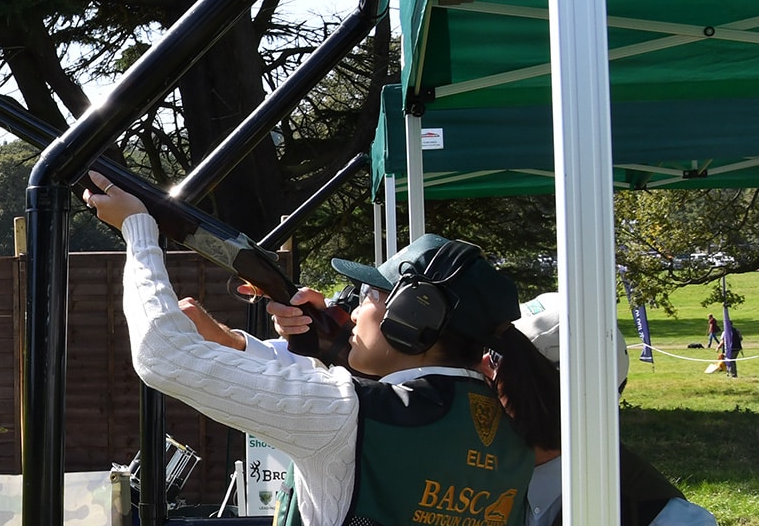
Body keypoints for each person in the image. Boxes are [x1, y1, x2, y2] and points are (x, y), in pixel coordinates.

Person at [83, 172, 550, 526]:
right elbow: (376, 406)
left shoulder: (346, 415)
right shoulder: (511, 427)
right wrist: (244, 344)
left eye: (370, 295)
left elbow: (163, 356)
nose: (353, 306)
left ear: (412, 322)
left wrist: (139, 232)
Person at [503, 292, 718, 526]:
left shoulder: (668, 519)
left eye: (496, 357)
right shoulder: (472, 475)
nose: (479, 365)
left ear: (543, 391)